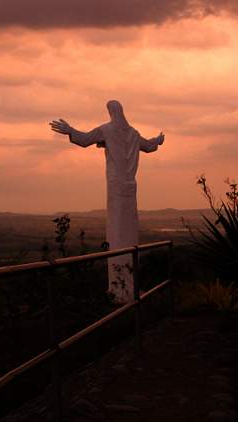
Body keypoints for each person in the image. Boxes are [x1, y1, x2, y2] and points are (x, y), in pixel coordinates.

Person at [50, 100, 164, 303]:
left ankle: (120, 290)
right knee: (128, 231)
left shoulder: (107, 129)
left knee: (117, 232)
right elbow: (149, 146)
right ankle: (127, 285)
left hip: (116, 186)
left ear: (110, 112)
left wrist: (69, 130)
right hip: (131, 187)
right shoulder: (133, 133)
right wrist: (158, 139)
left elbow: (84, 139)